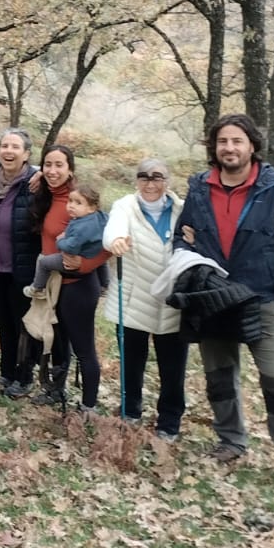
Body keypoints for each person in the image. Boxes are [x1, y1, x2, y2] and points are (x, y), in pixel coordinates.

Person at [179, 114, 274, 483]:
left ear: (252, 145)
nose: (229, 148)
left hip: (265, 299)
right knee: (219, 377)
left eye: (237, 141)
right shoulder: (198, 188)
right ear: (214, 147)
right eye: (223, 141)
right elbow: (181, 238)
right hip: (214, 298)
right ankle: (230, 440)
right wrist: (193, 267)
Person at [101, 158, 188, 441]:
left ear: (168, 180)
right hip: (133, 298)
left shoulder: (182, 209)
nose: (151, 184)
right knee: (132, 361)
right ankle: (131, 410)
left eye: (158, 177)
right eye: (144, 177)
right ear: (136, 180)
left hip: (171, 300)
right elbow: (113, 228)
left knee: (173, 366)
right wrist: (115, 241)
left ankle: (169, 420)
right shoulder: (125, 206)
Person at [29, 145, 112, 412]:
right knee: (58, 341)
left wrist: (86, 264)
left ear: (70, 169)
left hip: (77, 286)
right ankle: (56, 391)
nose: (53, 170)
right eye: (47, 165)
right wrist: (37, 175)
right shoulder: (49, 194)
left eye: (59, 165)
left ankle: (88, 405)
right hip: (56, 285)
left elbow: (108, 244)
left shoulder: (80, 203)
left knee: (83, 347)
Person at [0, 128, 42, 397]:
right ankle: (6, 373)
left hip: (23, 269)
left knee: (23, 325)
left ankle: (24, 377)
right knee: (4, 322)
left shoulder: (37, 183)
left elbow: (67, 188)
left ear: (26, 154)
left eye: (15, 147)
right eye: (4, 145)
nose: (8, 151)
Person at [25, 183, 105, 296]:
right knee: (102, 262)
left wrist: (60, 241)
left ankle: (37, 288)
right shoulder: (99, 216)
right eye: (70, 201)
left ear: (91, 208)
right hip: (92, 252)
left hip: (72, 259)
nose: (71, 205)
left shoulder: (82, 227)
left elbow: (71, 247)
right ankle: (105, 285)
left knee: (44, 263)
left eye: (78, 203)